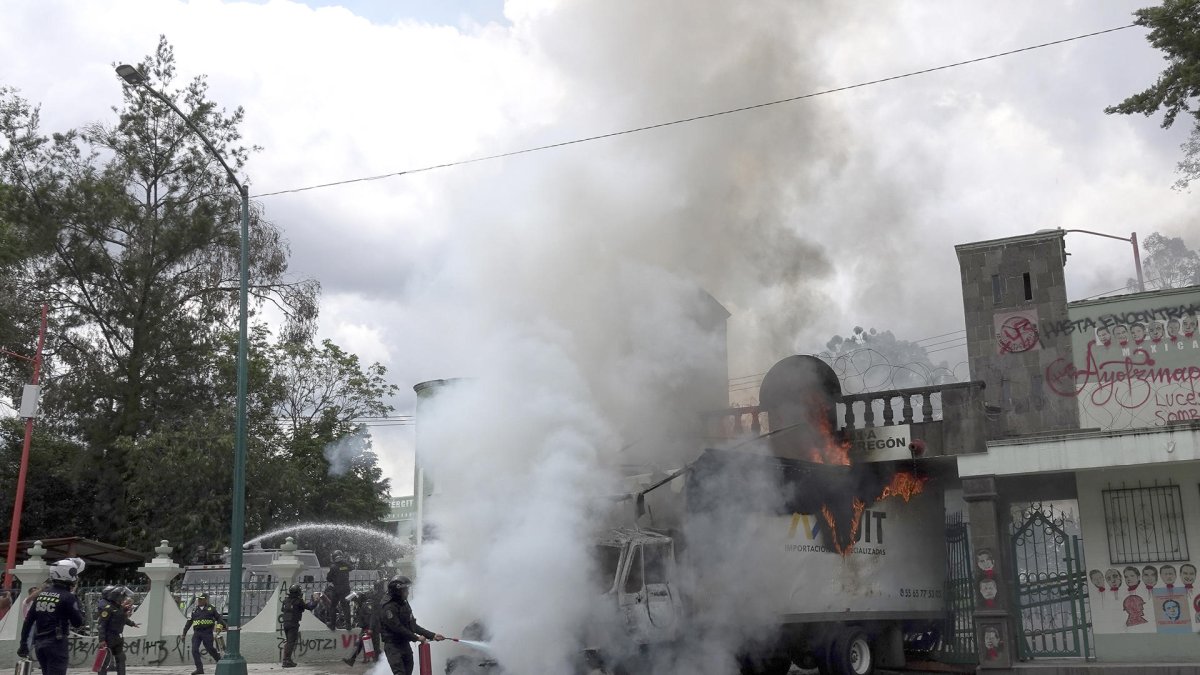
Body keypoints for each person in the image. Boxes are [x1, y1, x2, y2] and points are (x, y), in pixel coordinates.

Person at [17, 558, 86, 675]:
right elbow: (78, 623)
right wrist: (77, 604)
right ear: (67, 574)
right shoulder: (68, 597)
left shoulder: (42, 595)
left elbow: (28, 621)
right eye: (74, 573)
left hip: (40, 644)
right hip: (56, 643)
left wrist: (23, 644)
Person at [378, 576, 444, 675]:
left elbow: (413, 626)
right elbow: (397, 628)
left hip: (405, 644)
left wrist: (432, 635)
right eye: (405, 590)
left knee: (408, 672)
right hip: (393, 646)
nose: (408, 592)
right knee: (400, 673)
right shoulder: (388, 607)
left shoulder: (404, 604)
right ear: (397, 591)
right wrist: (416, 638)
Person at [97, 587, 139, 675]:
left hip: (118, 637)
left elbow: (123, 618)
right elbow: (102, 625)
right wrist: (102, 640)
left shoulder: (118, 607)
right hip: (109, 637)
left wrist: (132, 623)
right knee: (104, 661)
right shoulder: (107, 608)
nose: (123, 599)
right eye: (122, 597)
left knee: (121, 658)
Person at [181, 593, 224, 675]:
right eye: (198, 599)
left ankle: (220, 662)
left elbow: (219, 618)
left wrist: (220, 626)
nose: (199, 600)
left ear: (205, 600)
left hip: (207, 632)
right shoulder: (194, 610)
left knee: (210, 648)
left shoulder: (211, 608)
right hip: (197, 633)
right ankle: (199, 669)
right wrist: (184, 634)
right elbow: (188, 623)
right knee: (194, 650)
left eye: (201, 599)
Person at [281, 583, 318, 668]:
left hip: (286, 623)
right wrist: (316, 601)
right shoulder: (298, 601)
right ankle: (287, 661)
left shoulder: (286, 600)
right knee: (291, 642)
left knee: (288, 642)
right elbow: (309, 607)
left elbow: (283, 609)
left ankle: (286, 660)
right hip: (293, 624)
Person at [342, 591, 377, 667]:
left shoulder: (367, 605)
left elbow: (372, 617)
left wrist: (370, 628)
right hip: (365, 628)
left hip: (369, 628)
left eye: (355, 600)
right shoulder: (361, 606)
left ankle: (378, 662)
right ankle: (352, 659)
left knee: (373, 646)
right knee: (360, 643)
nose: (354, 602)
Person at [326, 550, 354, 629]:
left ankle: (332, 625)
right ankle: (348, 625)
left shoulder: (333, 566)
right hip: (346, 589)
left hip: (337, 589)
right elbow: (351, 567)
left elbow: (328, 578)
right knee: (346, 606)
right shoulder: (345, 565)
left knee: (333, 606)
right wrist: (344, 561)